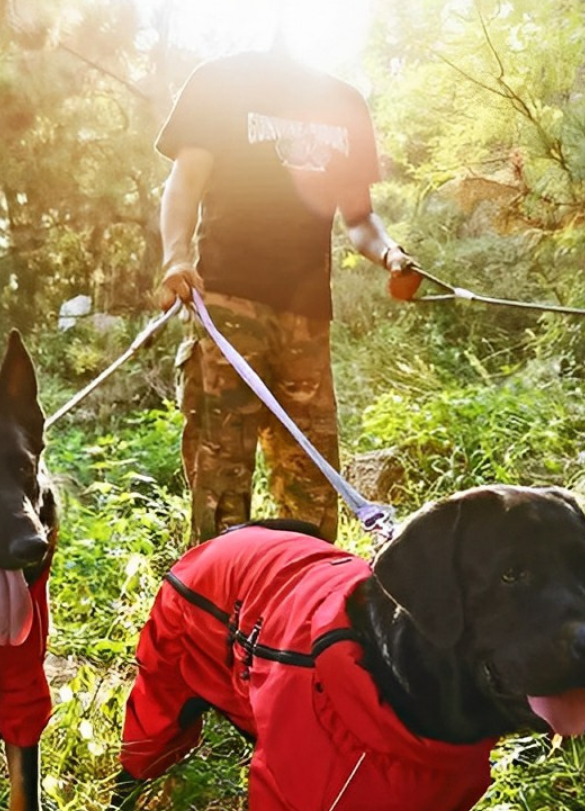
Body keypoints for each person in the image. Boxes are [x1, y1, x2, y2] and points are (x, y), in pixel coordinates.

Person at [155, 45, 420, 545]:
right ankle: (221, 608)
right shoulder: (218, 82)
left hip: (307, 321)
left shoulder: (344, 102)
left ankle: (307, 607)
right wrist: (176, 257)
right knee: (222, 483)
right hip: (227, 310)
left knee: (312, 485)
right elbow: (184, 182)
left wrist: (391, 256)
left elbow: (360, 219)